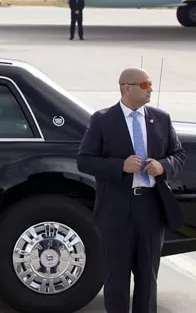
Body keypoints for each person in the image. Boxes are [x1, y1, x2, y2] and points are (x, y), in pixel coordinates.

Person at [77, 67, 186, 313]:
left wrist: (163, 166)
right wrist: (120, 166)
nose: (151, 90)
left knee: (148, 277)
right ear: (126, 87)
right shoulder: (103, 120)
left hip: (150, 208)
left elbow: (179, 155)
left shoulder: (161, 118)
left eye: (150, 85)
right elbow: (84, 160)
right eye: (145, 85)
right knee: (117, 277)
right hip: (116, 210)